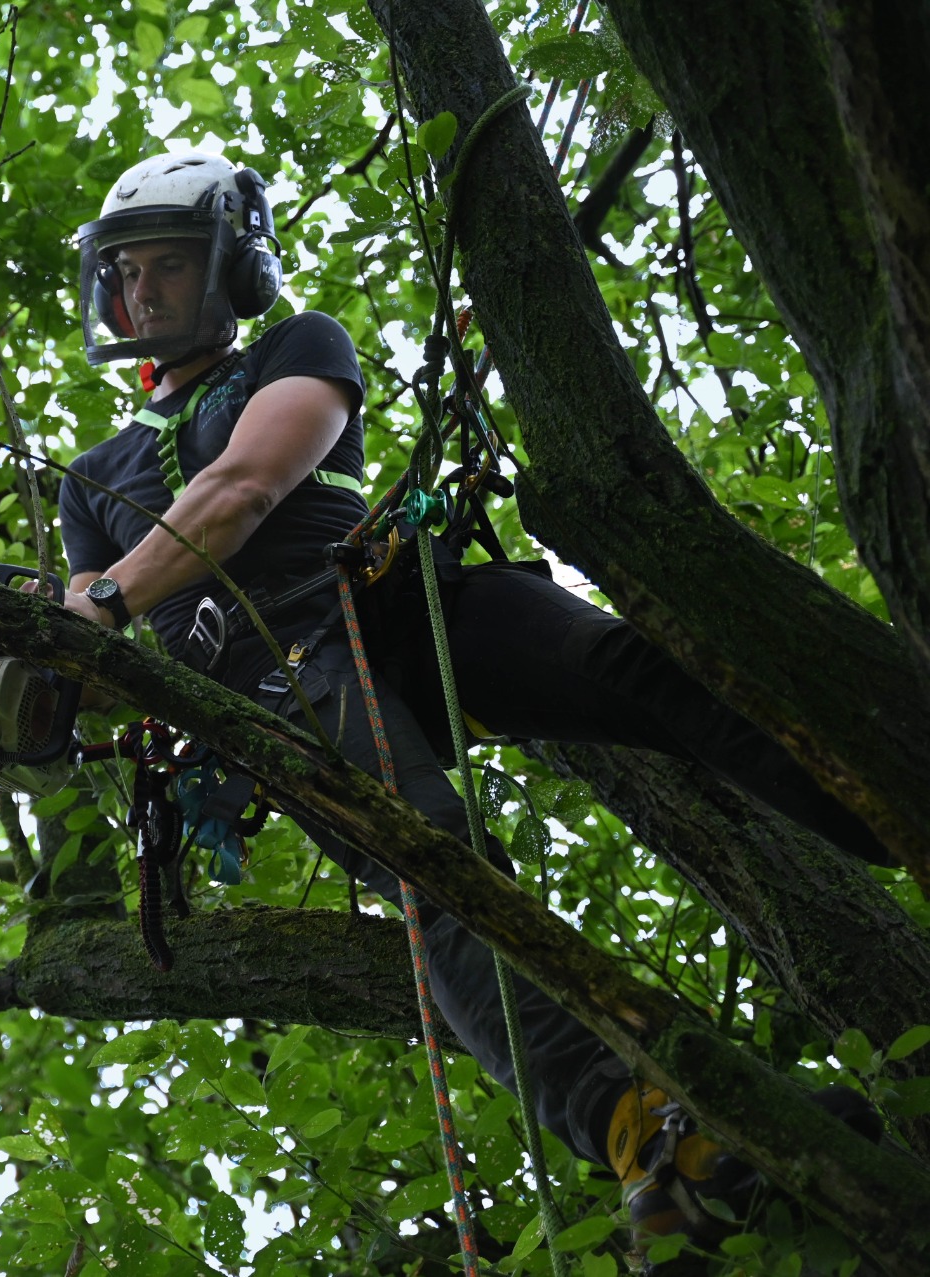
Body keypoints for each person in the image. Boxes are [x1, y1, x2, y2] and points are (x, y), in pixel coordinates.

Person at [54, 150, 886, 1273]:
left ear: (232, 272)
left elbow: (245, 487)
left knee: (633, 666)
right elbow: (109, 641)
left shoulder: (297, 349)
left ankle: (882, 799)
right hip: (275, 684)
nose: (143, 293)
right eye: (127, 274)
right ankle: (647, 1134)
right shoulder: (91, 479)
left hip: (400, 597)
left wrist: (99, 598)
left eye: (166, 266)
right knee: (435, 865)